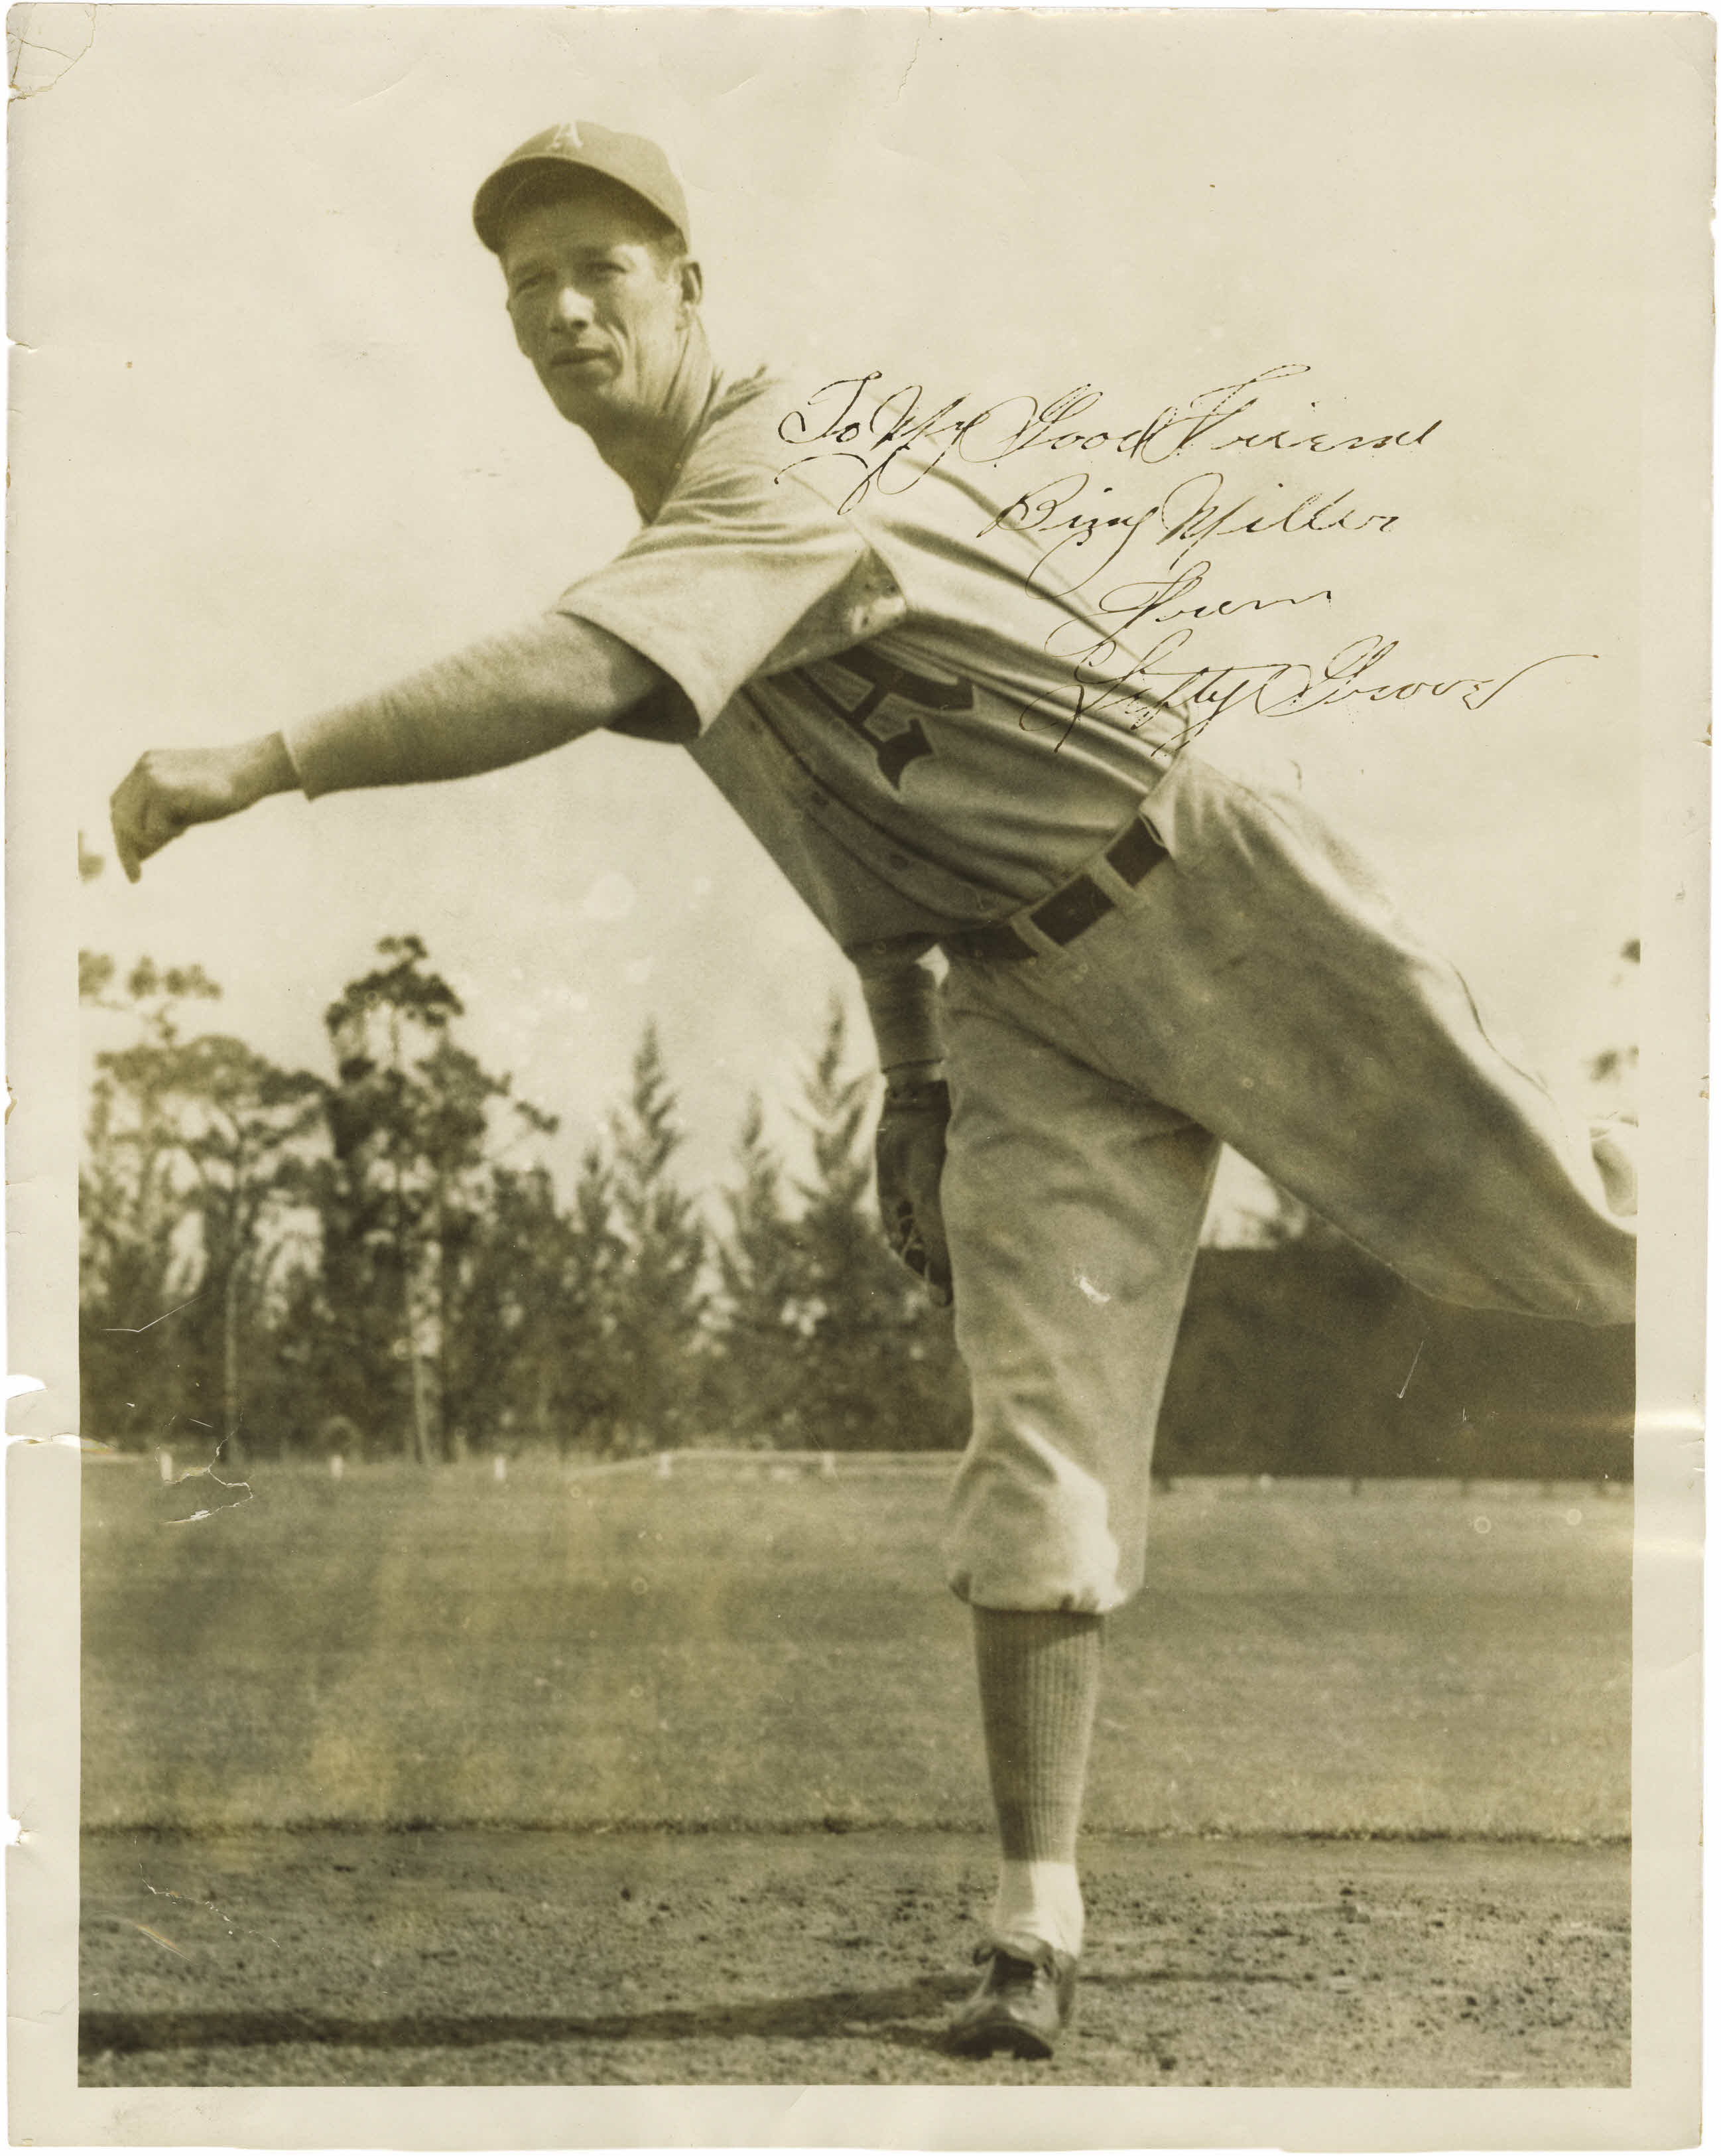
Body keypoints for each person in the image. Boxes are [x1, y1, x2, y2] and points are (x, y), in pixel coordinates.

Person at [110, 121, 1635, 2062]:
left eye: (605, 266)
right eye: (529, 285)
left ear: (690, 286)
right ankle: (1030, 1928)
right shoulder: (680, 580)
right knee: (1036, 1452)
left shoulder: (773, 465)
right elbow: (844, 862)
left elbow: (570, 674)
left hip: (1204, 889)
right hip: (1015, 993)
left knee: (1580, 1251)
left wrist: (272, 752)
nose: (567, 307)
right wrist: (912, 1080)